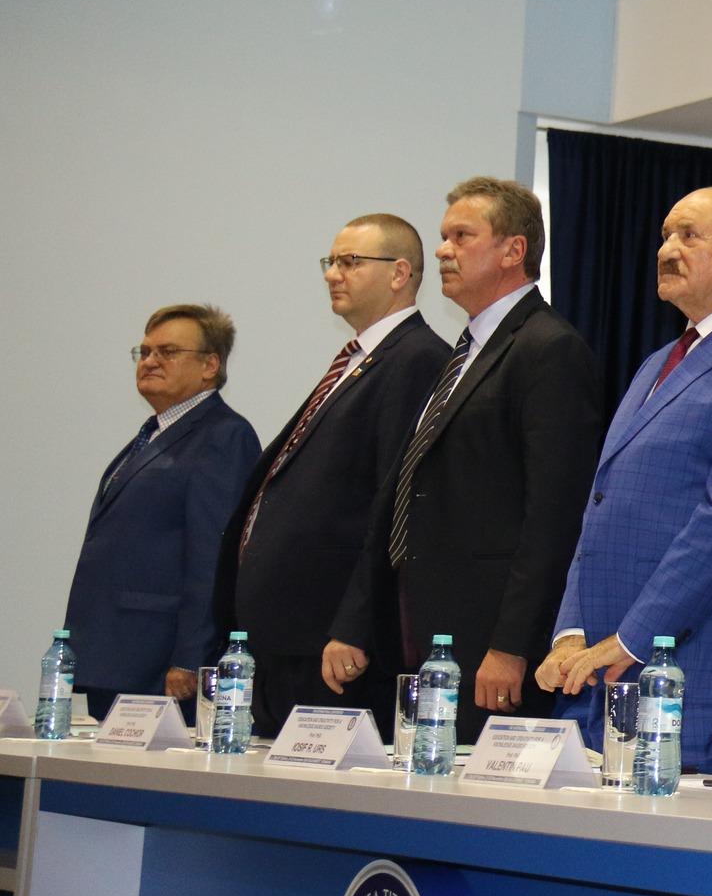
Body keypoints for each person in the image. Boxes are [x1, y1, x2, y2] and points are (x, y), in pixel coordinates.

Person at [536, 187, 712, 773]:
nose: (667, 249)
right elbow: (601, 506)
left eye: (689, 236)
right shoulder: (657, 362)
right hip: (600, 671)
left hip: (690, 670)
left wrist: (633, 638)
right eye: (666, 235)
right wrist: (571, 631)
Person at [328, 177, 605, 744]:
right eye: (443, 236)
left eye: (461, 236)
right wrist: (356, 619)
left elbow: (554, 514)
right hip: (425, 628)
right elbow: (405, 487)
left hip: (488, 645)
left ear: (513, 250)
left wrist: (511, 646)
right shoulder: (464, 350)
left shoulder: (549, 348)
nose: (442, 251)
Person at [213, 215, 450, 736]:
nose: (332, 274)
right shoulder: (361, 359)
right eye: (332, 261)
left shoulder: (416, 359)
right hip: (287, 635)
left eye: (350, 262)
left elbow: (393, 504)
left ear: (399, 273)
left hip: (331, 644)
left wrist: (355, 625)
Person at [65, 304, 261, 720]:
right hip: (118, 653)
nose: (150, 361)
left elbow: (214, 555)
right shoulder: (154, 433)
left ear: (210, 365)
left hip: (161, 664)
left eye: (168, 352)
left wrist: (191, 657)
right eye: (145, 351)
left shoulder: (223, 436)